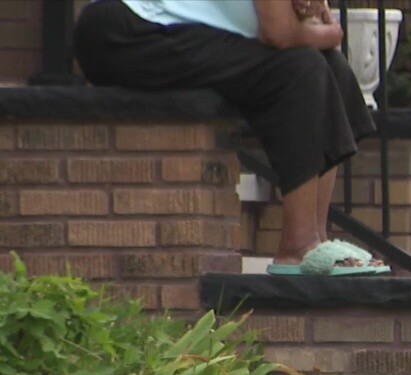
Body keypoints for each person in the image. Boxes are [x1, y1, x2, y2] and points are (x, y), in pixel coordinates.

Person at [73, 0, 388, 276]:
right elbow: (280, 33)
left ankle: (317, 240)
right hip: (128, 33)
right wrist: (334, 34)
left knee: (332, 66)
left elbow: (298, 24)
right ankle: (299, 244)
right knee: (302, 68)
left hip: (176, 30)